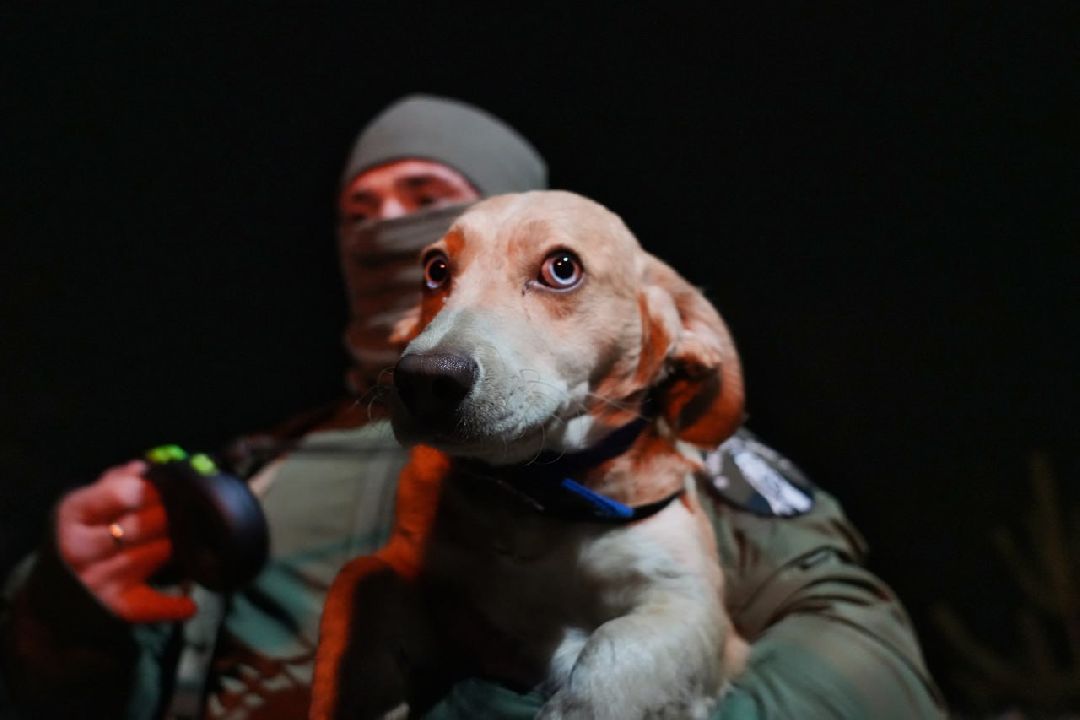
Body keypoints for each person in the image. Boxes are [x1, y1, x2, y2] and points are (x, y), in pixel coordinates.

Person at [0, 95, 946, 719]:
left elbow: (881, 676)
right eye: (361, 210)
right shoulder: (261, 467)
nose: (381, 226)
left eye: (424, 194)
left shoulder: (669, 457)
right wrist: (61, 616)